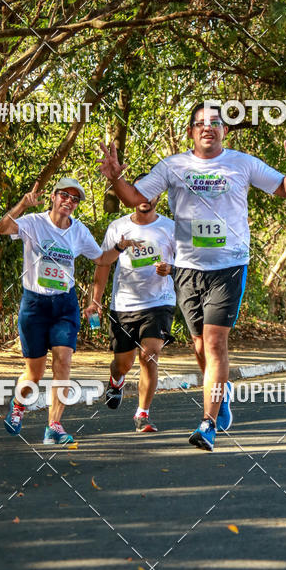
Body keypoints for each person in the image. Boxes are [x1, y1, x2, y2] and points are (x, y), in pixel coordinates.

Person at [98, 103, 286, 452]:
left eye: (215, 122)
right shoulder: (173, 166)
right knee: (199, 347)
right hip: (187, 269)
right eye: (200, 123)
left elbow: (285, 190)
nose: (208, 127)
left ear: (224, 130)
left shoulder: (243, 163)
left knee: (214, 343)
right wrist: (116, 178)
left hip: (228, 266)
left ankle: (207, 423)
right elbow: (135, 197)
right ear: (191, 132)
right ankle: (220, 396)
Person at [0, 177, 142, 444]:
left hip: (65, 304)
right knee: (35, 374)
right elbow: (1, 228)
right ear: (53, 196)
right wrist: (22, 205)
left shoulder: (79, 231)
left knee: (63, 360)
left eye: (75, 199)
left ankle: (54, 426)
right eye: (65, 195)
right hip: (35, 305)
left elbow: (100, 259)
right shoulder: (34, 223)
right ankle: (18, 406)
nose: (69, 202)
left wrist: (120, 247)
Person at [84, 181, 176, 433]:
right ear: (132, 195)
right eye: (141, 192)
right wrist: (96, 300)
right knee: (122, 363)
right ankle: (116, 380)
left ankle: (142, 414)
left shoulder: (170, 228)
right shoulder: (118, 227)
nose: (146, 198)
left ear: (159, 196)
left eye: (152, 192)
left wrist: (171, 269)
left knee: (150, 354)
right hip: (124, 305)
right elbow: (103, 264)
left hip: (159, 302)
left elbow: (186, 264)